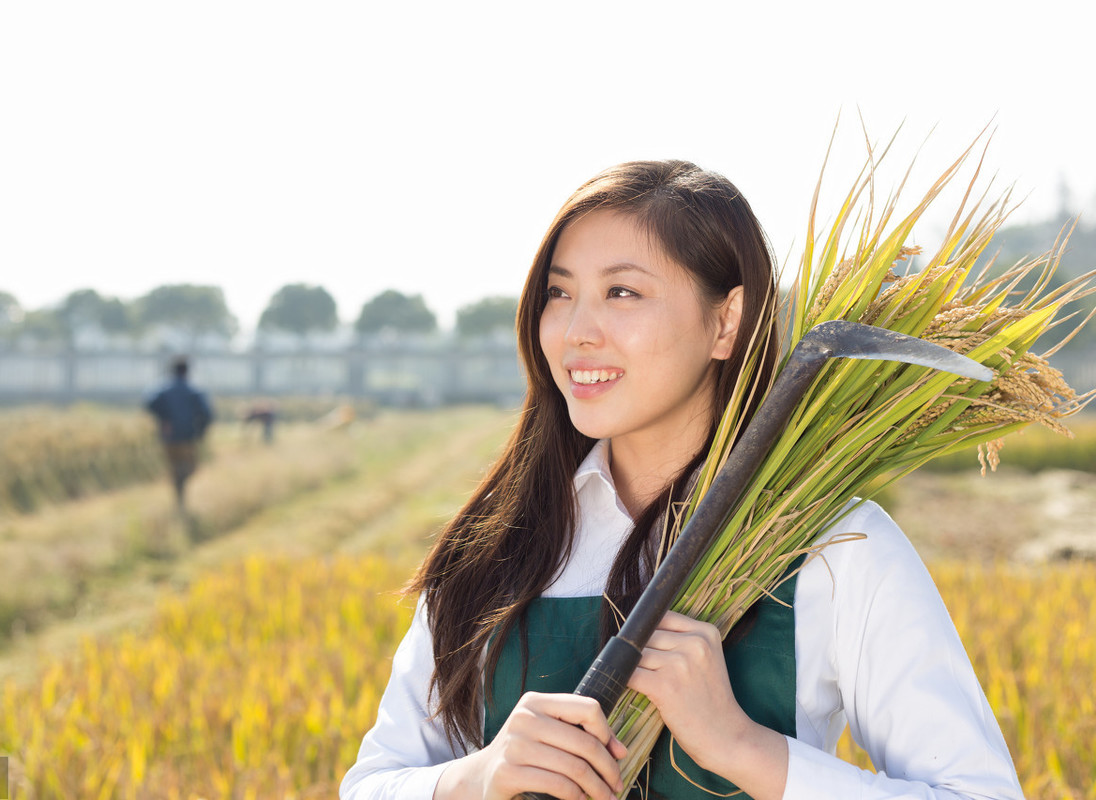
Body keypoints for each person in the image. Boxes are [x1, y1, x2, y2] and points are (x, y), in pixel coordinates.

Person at [340, 162, 1024, 800]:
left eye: (622, 292)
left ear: (725, 322)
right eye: (559, 292)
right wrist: (477, 775)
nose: (576, 330)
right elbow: (372, 782)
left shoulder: (838, 547)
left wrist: (743, 747)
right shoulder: (496, 550)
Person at [145, 355, 214, 510]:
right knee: (189, 468)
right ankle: (180, 494)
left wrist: (164, 419)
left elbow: (149, 404)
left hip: (168, 437)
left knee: (175, 467)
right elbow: (207, 414)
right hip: (187, 437)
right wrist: (200, 432)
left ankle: (179, 495)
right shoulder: (193, 391)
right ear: (187, 371)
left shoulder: (162, 390)